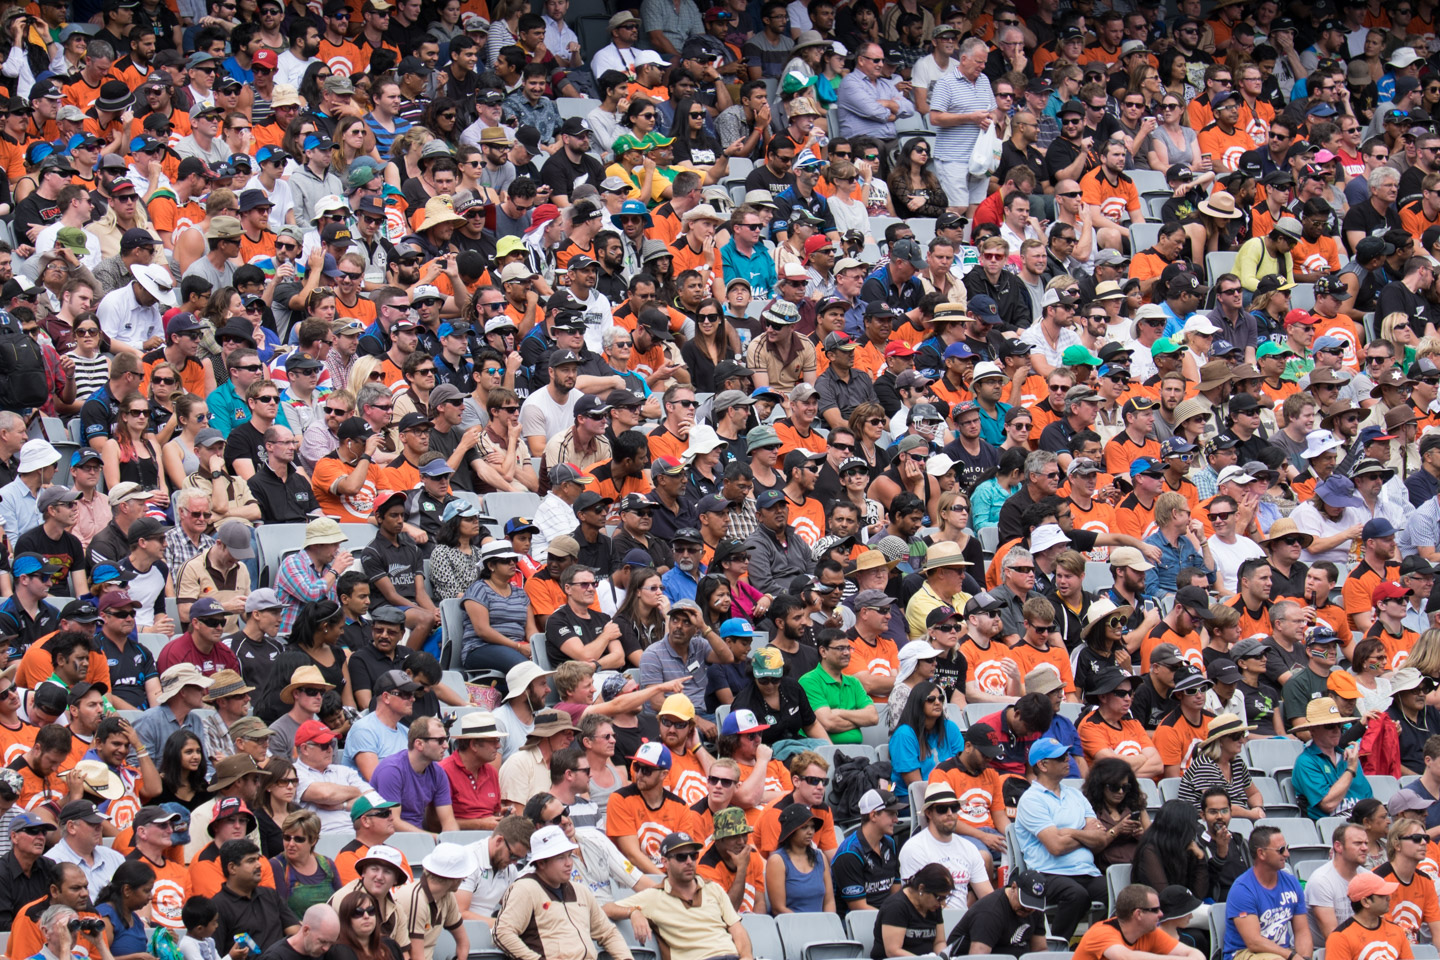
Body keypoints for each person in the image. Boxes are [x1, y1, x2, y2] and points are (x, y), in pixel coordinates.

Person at [1013, 737, 1108, 943]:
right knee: (1076, 895)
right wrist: (1084, 832)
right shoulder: (1031, 799)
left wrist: (1071, 833)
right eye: (1061, 757)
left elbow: (1101, 839)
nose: (1068, 760)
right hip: (1048, 873)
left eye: (1067, 755)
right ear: (1043, 765)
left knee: (1119, 894)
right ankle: (1054, 949)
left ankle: (1099, 946)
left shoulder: (1076, 795)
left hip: (1087, 871)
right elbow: (1055, 846)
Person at [494, 824, 632, 960]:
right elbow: (502, 932)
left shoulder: (580, 891)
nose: (569, 863)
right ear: (541, 863)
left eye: (569, 855)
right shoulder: (525, 888)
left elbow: (608, 932)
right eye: (560, 858)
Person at [615, 830, 754, 960]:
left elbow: (737, 929)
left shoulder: (713, 888)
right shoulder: (655, 896)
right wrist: (632, 912)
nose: (689, 861)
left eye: (693, 856)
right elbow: (605, 909)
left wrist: (747, 956)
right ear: (665, 862)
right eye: (681, 857)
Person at [1224, 826, 1313, 960]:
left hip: (1281, 953)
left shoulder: (1291, 883)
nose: (1287, 854)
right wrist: (1291, 956)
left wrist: (1305, 958)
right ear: (1261, 853)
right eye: (1281, 850)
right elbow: (1254, 942)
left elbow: (1302, 932)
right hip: (1245, 953)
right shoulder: (1242, 889)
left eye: (1286, 848)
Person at [371, 715, 459, 834]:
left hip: (419, 838)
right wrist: (433, 838)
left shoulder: (438, 773)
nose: (446, 746)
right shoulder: (392, 770)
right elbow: (393, 822)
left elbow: (448, 821)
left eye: (446, 739)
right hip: (387, 839)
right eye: (440, 740)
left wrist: (451, 843)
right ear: (419, 744)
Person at [1074, 883, 1203, 960]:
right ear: (1138, 914)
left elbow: (1193, 953)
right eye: (1155, 910)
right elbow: (1126, 957)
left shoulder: (1150, 933)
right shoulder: (1101, 932)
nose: (1161, 914)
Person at [1293, 696, 1373, 819]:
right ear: (1313, 729)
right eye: (1330, 726)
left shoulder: (1348, 757)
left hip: (1361, 823)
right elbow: (1328, 804)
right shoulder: (1305, 761)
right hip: (1332, 829)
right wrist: (1351, 769)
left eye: (1339, 725)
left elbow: (1369, 800)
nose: (1336, 730)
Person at [871, 863, 951, 960]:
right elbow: (893, 951)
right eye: (939, 898)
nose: (942, 904)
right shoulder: (896, 906)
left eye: (945, 898)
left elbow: (939, 942)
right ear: (921, 888)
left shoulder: (934, 906)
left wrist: (942, 957)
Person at [1326, 873, 1414, 960]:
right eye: (1382, 895)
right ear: (1365, 902)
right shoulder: (1340, 937)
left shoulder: (1397, 931)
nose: (1389, 898)